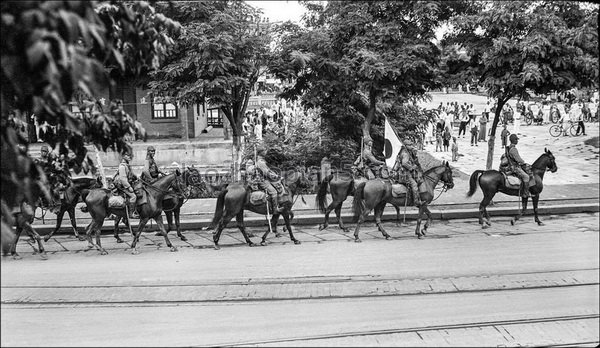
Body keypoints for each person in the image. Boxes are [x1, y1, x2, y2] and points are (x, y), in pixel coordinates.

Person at [391, 139, 423, 206]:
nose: (411, 146)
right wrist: (412, 167)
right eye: (410, 145)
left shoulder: (405, 152)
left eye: (411, 145)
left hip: (404, 172)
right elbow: (404, 163)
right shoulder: (405, 154)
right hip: (405, 174)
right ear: (405, 146)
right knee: (414, 185)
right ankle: (416, 202)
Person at [114, 152, 139, 218]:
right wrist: (129, 187)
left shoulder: (127, 165)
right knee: (133, 196)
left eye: (129, 155)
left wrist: (137, 178)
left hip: (128, 183)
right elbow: (123, 179)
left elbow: (132, 174)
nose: (129, 157)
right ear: (123, 156)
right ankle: (131, 213)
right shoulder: (122, 166)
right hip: (122, 186)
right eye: (127, 155)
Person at [505, 134, 531, 198]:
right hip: (514, 167)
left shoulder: (509, 147)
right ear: (514, 140)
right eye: (516, 139)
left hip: (511, 165)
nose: (517, 141)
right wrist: (523, 162)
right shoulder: (513, 149)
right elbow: (518, 159)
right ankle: (525, 193)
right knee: (526, 177)